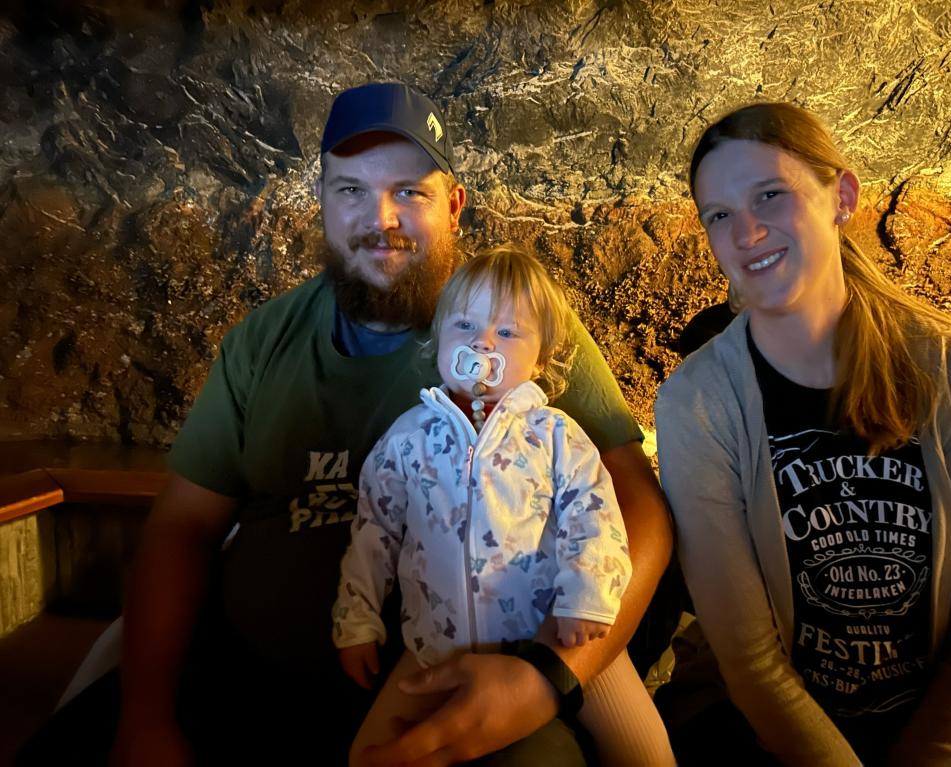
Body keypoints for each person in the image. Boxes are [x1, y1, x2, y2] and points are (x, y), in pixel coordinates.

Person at [14, 82, 673, 766]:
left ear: (453, 205)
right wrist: (147, 715)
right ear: (322, 202)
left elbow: (635, 505)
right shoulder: (261, 342)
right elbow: (183, 527)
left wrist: (548, 677)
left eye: (408, 192)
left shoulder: (514, 324)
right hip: (246, 682)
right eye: (351, 189)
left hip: (465, 683)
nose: (379, 218)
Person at [655, 102, 951, 766]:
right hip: (756, 724)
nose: (747, 232)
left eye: (770, 195)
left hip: (950, 725)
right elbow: (750, 658)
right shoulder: (697, 402)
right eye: (720, 216)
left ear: (842, 197)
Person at [335, 245, 675, 766]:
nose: (483, 342)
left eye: (509, 332)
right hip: (434, 643)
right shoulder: (408, 439)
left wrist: (586, 597)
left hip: (558, 633)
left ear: (540, 358)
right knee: (367, 755)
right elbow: (373, 530)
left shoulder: (555, 435)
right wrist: (357, 619)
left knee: (647, 753)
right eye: (465, 325)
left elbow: (594, 515)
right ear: (439, 340)